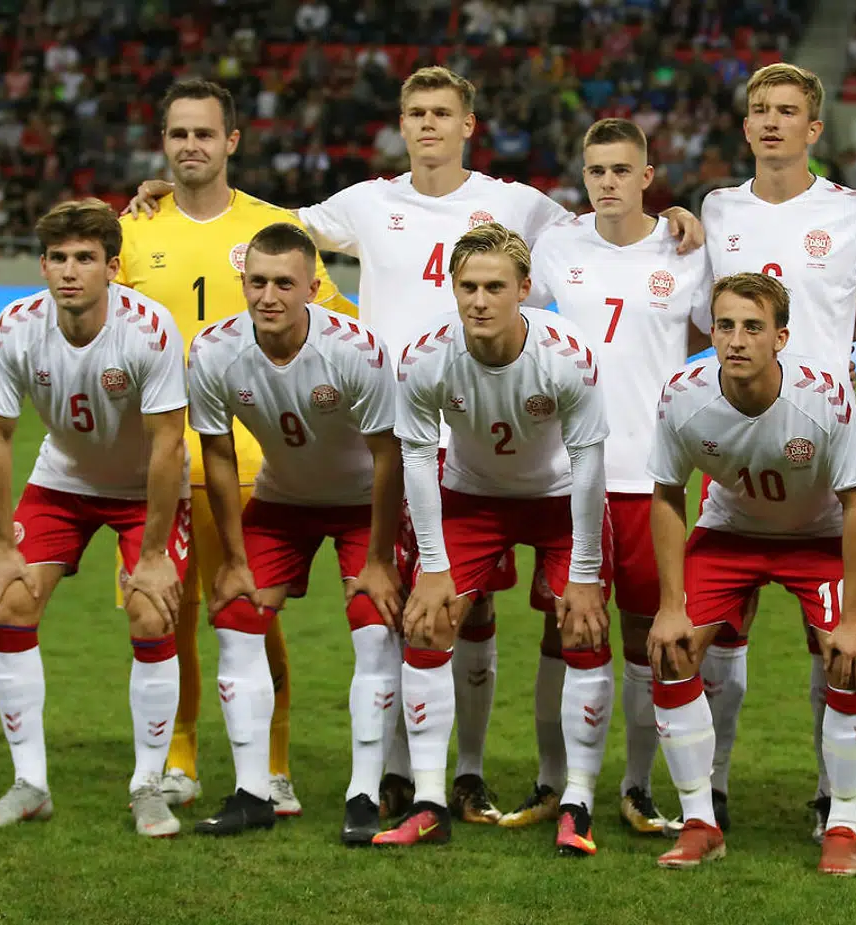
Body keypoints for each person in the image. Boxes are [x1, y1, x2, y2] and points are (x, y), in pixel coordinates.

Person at [132, 65, 702, 827]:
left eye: (443, 112)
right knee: (416, 610)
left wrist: (672, 216)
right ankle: (400, 774)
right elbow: (267, 226)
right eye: (415, 113)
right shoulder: (368, 202)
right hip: (398, 436)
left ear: (470, 124)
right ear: (400, 125)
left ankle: (463, 772)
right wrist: (177, 191)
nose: (428, 124)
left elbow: (605, 219)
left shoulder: (517, 205)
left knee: (468, 613)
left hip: (489, 436)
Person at [118, 78, 356, 815]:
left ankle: (275, 764)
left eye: (204, 133)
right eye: (178, 133)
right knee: (169, 613)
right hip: (157, 465)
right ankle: (181, 758)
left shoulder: (271, 227)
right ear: (164, 143)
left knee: (250, 611)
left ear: (232, 142)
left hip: (252, 463)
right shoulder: (130, 232)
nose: (191, 146)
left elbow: (336, 316)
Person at [697, 61, 856, 840]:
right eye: (759, 110)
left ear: (814, 128)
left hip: (826, 455)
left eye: (788, 110)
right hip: (736, 448)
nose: (772, 121)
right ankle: (709, 788)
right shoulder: (716, 210)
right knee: (718, 632)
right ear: (746, 127)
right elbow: (697, 315)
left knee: (835, 643)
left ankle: (829, 796)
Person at [374, 223, 613, 856]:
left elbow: (590, 466)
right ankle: (431, 800)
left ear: (524, 290)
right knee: (427, 623)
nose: (479, 301)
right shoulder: (426, 355)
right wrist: (432, 566)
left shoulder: (566, 354)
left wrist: (585, 575)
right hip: (471, 497)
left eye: (495, 287)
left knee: (583, 628)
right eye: (468, 287)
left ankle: (577, 802)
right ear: (452, 288)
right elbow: (418, 461)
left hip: (558, 500)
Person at [645, 272, 856, 874]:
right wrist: (672, 605)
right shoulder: (683, 394)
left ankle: (842, 826)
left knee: (848, 661)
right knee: (670, 651)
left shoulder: (824, 397)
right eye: (725, 326)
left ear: (781, 338)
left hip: (817, 536)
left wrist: (854, 619)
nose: (737, 340)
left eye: (753, 327)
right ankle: (701, 822)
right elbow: (668, 494)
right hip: (731, 533)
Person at [0, 199, 190, 838]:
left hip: (142, 492)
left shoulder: (148, 329)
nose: (70, 271)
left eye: (85, 259)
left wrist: (150, 555)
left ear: (112, 268)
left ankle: (148, 785)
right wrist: (0, 544)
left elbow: (167, 445)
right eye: (59, 258)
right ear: (42, 265)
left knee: (152, 611)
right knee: (10, 601)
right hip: (60, 483)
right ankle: (30, 784)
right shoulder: (16, 325)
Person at [520, 117, 712, 835]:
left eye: (620, 170)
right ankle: (558, 781)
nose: (606, 182)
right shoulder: (556, 246)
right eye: (595, 169)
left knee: (644, 632)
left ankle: (635, 786)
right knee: (564, 627)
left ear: (646, 177)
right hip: (566, 474)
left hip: (650, 474)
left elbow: (706, 333)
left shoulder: (685, 250)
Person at [184, 223, 404, 844]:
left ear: (313, 286)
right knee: (234, 614)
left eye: (285, 282)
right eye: (257, 281)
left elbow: (389, 456)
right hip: (282, 502)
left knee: (372, 620)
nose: (269, 295)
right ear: (243, 283)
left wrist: (382, 558)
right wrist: (232, 557)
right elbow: (219, 454)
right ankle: (253, 792)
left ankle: (363, 793)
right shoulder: (213, 350)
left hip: (364, 505)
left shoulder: (356, 349)